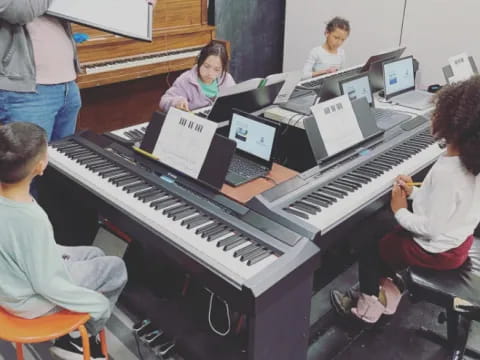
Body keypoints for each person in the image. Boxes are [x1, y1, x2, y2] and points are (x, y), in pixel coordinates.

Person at [331, 76, 480, 324]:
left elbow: (433, 227)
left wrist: (399, 210)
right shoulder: (470, 163)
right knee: (384, 233)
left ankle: (369, 308)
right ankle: (391, 287)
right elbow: (446, 205)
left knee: (370, 247)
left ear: (452, 123)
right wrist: (412, 192)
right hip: (458, 241)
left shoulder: (448, 172)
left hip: (437, 249)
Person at [0, 122, 128, 359]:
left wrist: (56, 253)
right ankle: (77, 340)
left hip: (9, 282)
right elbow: (46, 284)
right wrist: (95, 305)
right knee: (116, 268)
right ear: (40, 166)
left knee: (94, 254)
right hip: (28, 301)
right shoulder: (32, 219)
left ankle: (76, 338)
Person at [0, 0, 155, 143]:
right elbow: (18, 11)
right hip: (25, 91)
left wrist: (140, 9)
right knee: (26, 167)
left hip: (68, 86)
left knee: (60, 163)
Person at [159, 40, 236, 112]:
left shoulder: (227, 79)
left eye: (216, 69)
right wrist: (176, 102)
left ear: (223, 69)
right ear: (200, 62)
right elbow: (164, 101)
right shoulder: (186, 80)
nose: (210, 73)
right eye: (206, 66)